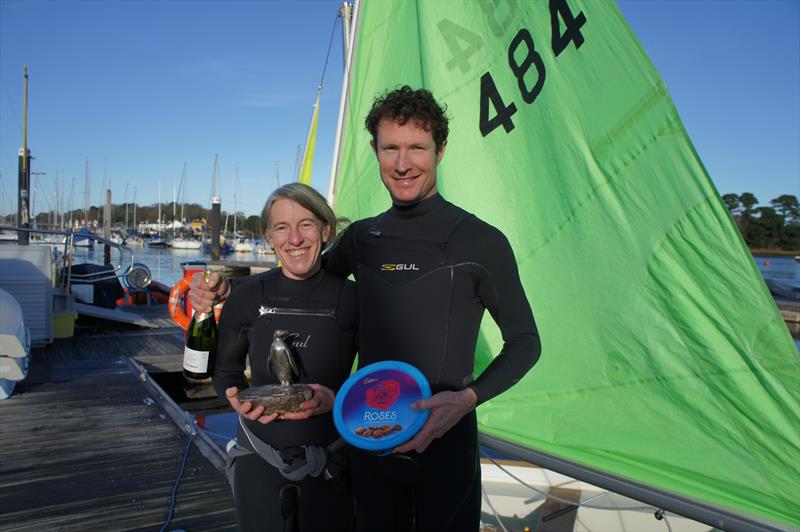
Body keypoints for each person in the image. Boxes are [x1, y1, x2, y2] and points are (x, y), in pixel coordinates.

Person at [192, 86, 541, 531]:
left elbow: (525, 343)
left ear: (441, 150)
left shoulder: (481, 241)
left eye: (417, 147)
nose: (402, 163)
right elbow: (299, 289)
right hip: (367, 444)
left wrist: (466, 401)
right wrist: (222, 292)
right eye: (390, 148)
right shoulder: (362, 238)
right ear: (375, 150)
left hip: (446, 445)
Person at [212, 183, 357, 532]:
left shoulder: (354, 299)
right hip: (258, 458)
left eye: (306, 224)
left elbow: (375, 384)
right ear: (268, 237)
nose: (295, 238)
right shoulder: (246, 298)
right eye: (281, 227)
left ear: (326, 230)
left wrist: (334, 400)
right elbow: (226, 371)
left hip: (334, 461)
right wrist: (234, 396)